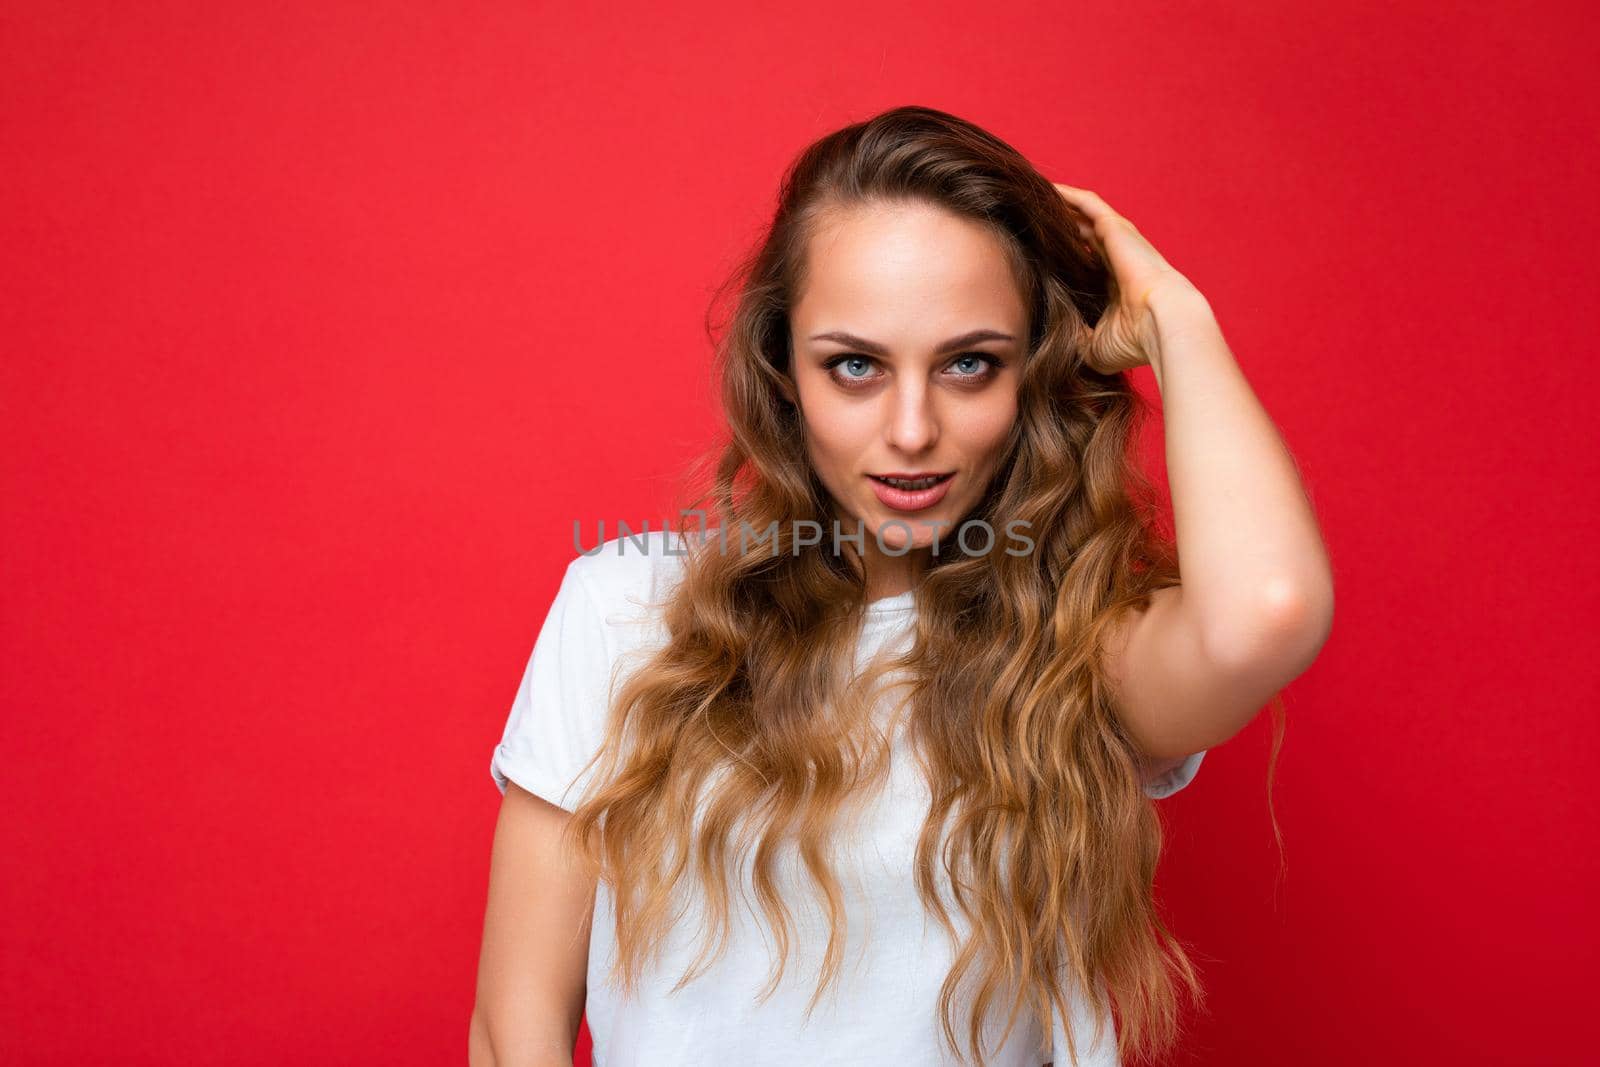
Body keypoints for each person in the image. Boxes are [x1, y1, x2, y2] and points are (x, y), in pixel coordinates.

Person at [469, 105, 1334, 1067]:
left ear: (1033, 374)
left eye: (970, 363)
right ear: (784, 371)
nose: (913, 429)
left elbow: (1268, 609)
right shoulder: (624, 610)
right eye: (855, 366)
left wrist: (1176, 315)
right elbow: (517, 1032)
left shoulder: (1077, 645)